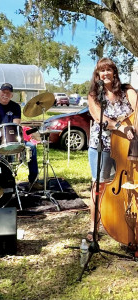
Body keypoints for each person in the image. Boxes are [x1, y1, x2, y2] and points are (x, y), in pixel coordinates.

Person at [87, 57, 137, 242]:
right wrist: (121, 126)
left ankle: (127, 227)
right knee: (99, 186)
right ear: (98, 75)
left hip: (126, 148)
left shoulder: (127, 90)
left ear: (114, 72)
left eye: (109, 70)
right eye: (102, 70)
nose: (105, 73)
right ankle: (93, 227)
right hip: (102, 146)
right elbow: (99, 118)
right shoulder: (94, 95)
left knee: (129, 187)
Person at [0, 83, 41, 189]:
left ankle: (33, 181)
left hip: (11, 138)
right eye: (3, 92)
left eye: (8, 93)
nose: (5, 95)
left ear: (11, 95)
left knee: (32, 147)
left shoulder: (15, 107)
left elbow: (16, 125)